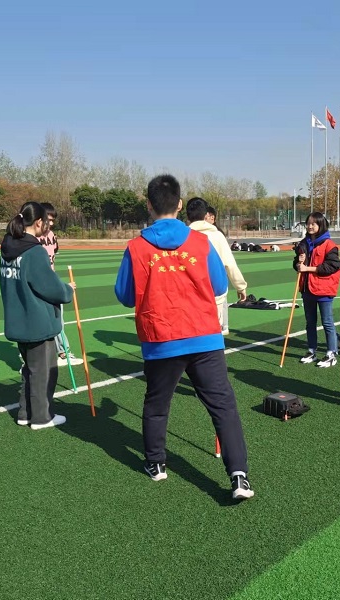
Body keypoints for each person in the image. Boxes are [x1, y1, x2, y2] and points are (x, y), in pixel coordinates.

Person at [114, 174, 254, 500]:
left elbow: (125, 295)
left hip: (161, 339)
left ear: (148, 205)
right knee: (223, 406)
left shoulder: (136, 247)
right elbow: (219, 286)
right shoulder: (201, 243)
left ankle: (156, 463)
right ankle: (239, 476)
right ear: (179, 204)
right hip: (203, 336)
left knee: (157, 404)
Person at [0, 202, 76, 430]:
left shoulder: (8, 247)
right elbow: (49, 286)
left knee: (29, 369)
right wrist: (67, 290)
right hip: (37, 321)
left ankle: (25, 412)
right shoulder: (34, 251)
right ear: (39, 222)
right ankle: (42, 417)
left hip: (18, 319)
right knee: (43, 372)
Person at [186, 197, 247, 336]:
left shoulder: (183, 237)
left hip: (189, 296)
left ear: (188, 216)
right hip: (214, 295)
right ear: (205, 215)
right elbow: (230, 264)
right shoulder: (217, 236)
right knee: (213, 335)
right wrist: (241, 287)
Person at [293, 212, 340, 368]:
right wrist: (298, 264)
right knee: (310, 322)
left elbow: (332, 266)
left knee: (327, 322)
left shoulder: (329, 244)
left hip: (324, 289)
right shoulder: (303, 243)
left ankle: (331, 353)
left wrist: (308, 268)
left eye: (313, 223)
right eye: (308, 223)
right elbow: (296, 264)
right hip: (307, 288)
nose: (310, 226)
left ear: (321, 225)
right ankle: (311, 350)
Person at [38, 202, 83, 367]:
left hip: (51, 280)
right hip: (37, 283)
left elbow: (53, 253)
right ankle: (27, 360)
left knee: (58, 318)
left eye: (52, 220)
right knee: (37, 321)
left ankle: (63, 353)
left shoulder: (52, 236)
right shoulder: (32, 237)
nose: (50, 223)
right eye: (48, 219)